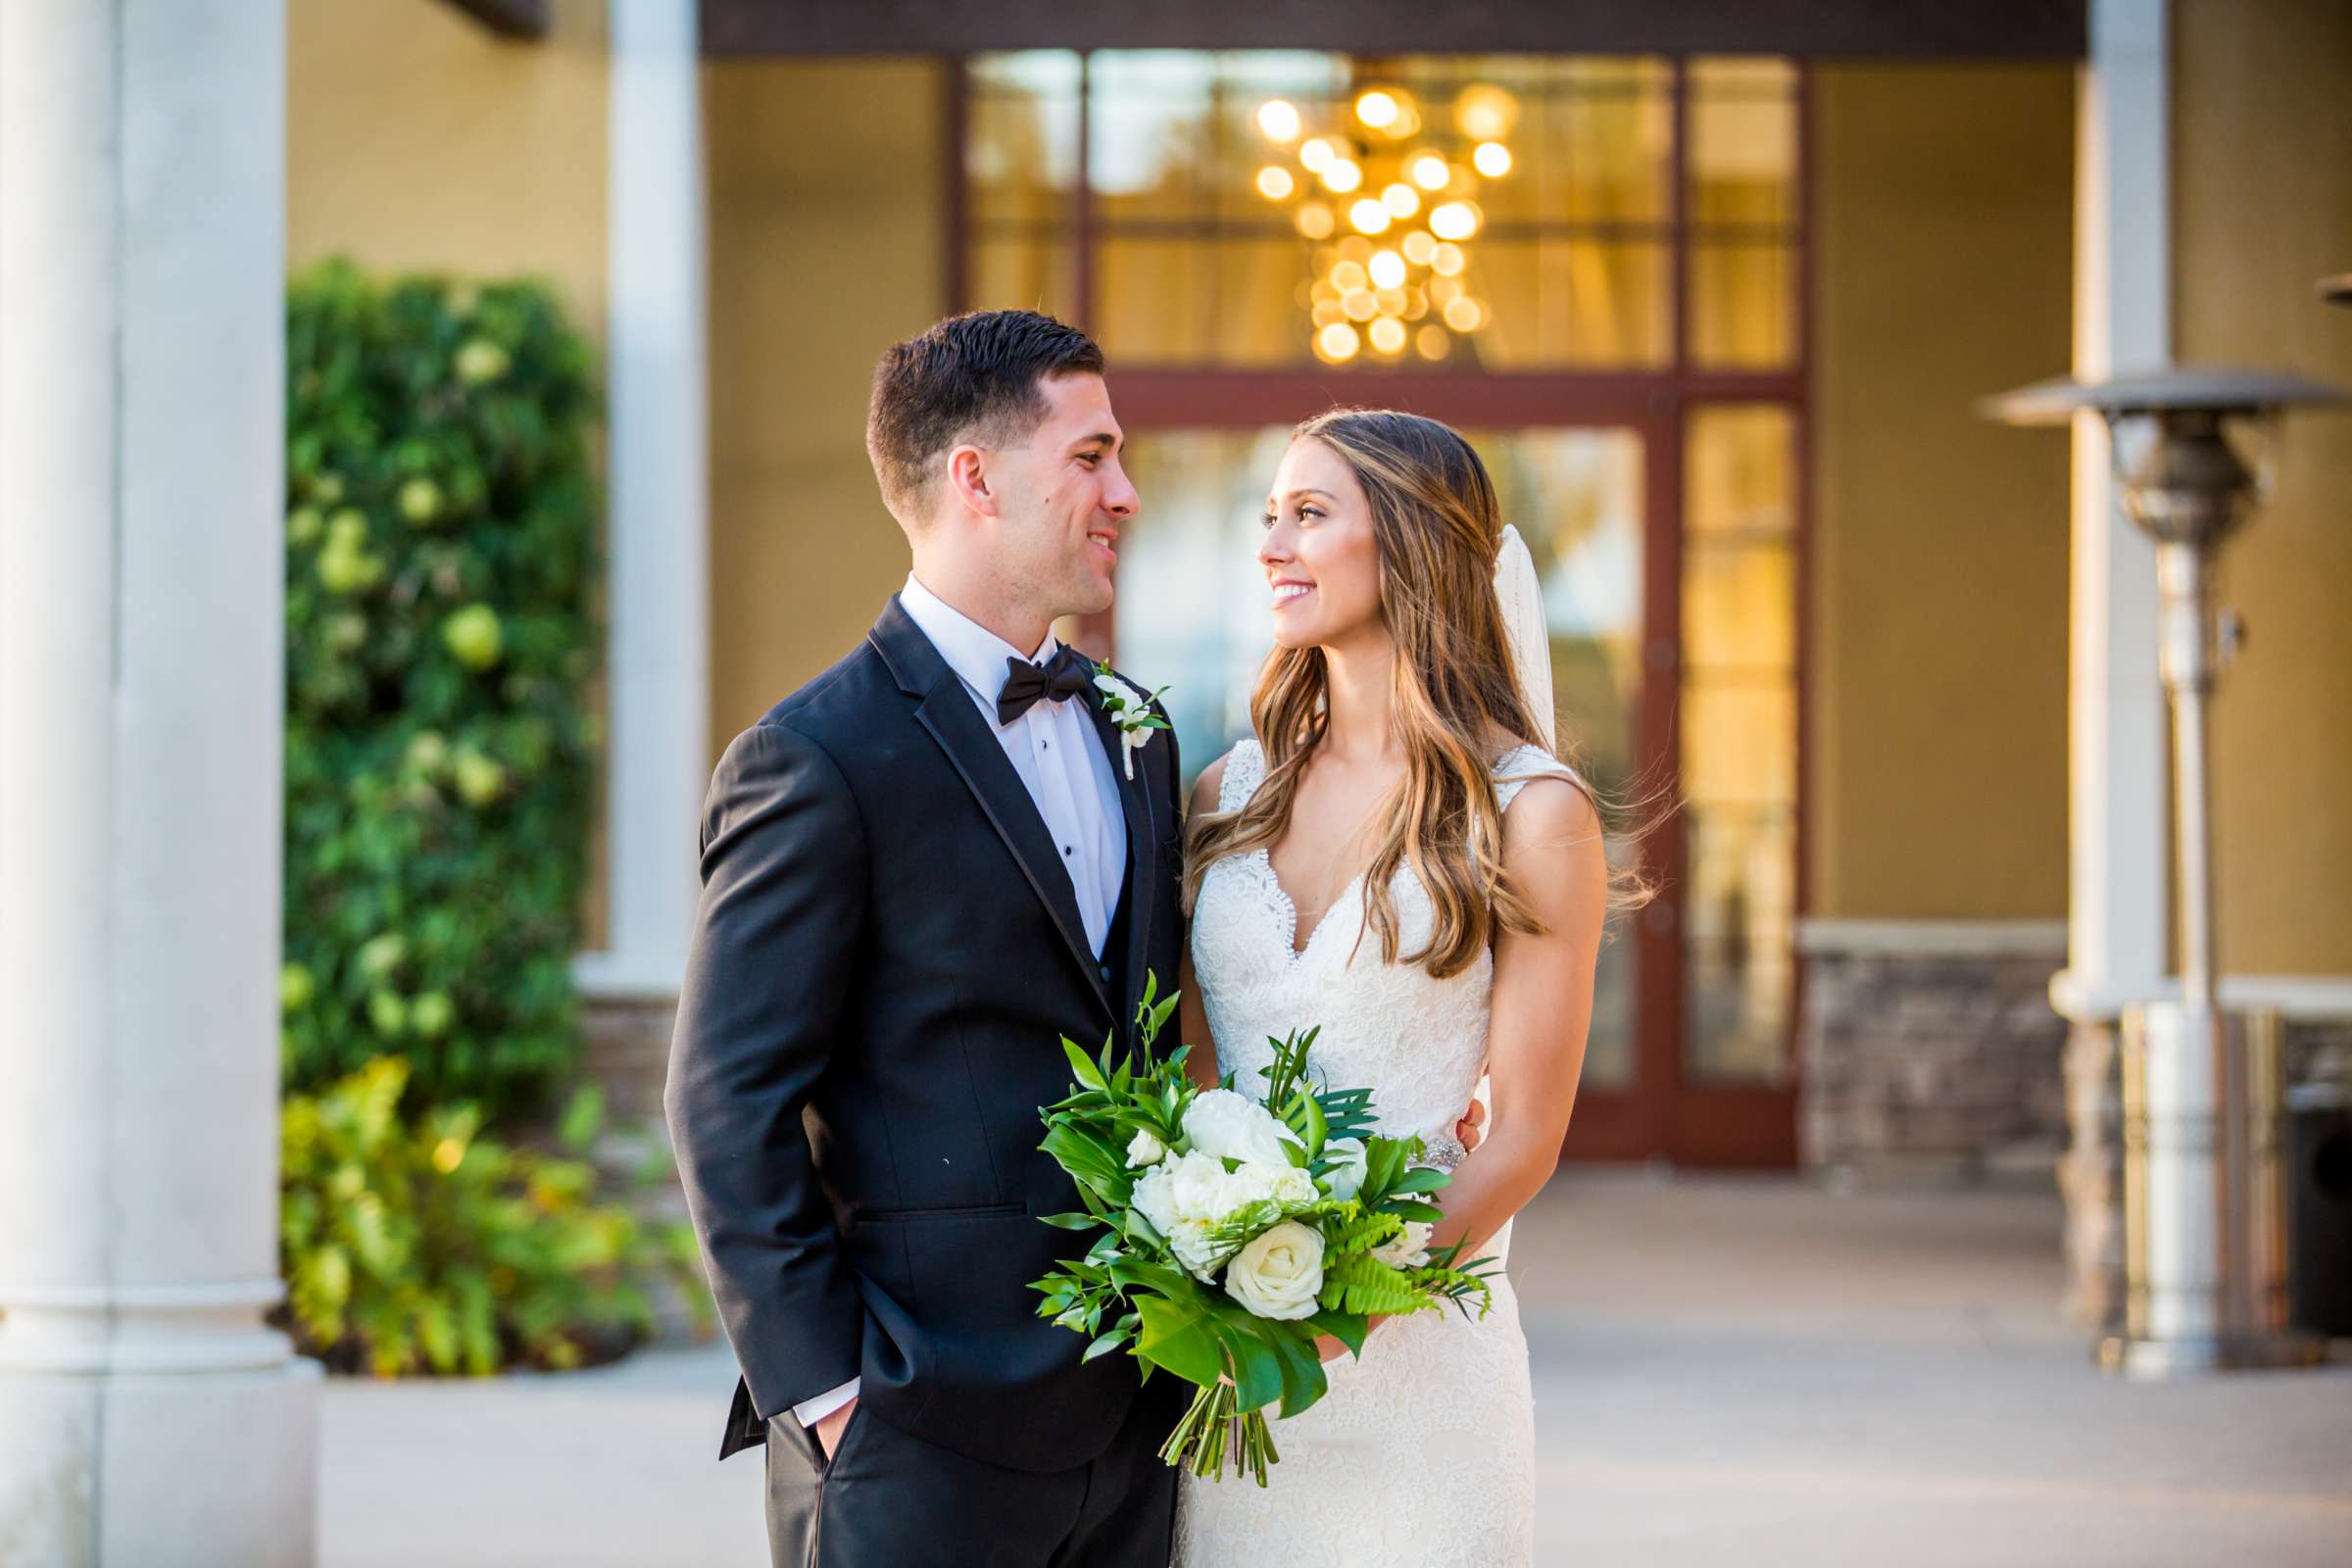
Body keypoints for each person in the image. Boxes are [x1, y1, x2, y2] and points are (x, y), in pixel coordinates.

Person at [665, 313, 1491, 1567]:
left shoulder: (1141, 735)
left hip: (1141, 1416)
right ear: (976, 479)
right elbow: (725, 1104)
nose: (1128, 493)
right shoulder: (813, 759)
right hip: (914, 1429)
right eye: (1093, 456)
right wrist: (829, 1396)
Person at [1173, 409, 1613, 1566]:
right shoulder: (1228, 791)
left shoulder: (1533, 811)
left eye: (1310, 514)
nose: (1272, 543)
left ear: (1410, 541)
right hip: (1227, 1364)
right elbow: (1195, 1071)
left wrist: (1335, 1309)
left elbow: (1524, 1131)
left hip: (1420, 1368)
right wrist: (1220, 1292)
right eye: (1269, 514)